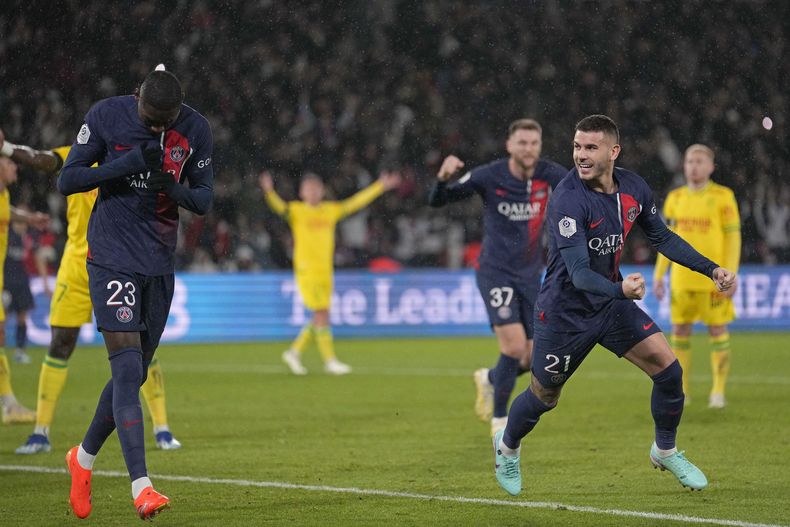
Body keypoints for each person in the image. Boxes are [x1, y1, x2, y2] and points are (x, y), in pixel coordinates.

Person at [492, 115, 736, 496]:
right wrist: (621, 289)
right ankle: (507, 446)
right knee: (544, 397)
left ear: (613, 151)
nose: (581, 155)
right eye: (577, 147)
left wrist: (711, 269)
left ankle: (665, 450)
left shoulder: (634, 188)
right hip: (564, 313)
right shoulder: (568, 199)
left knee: (669, 372)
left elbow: (663, 238)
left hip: (609, 305)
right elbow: (578, 274)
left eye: (591, 147)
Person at [57, 66, 213, 520]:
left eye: (165, 122)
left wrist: (174, 188)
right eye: (150, 119)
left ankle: (82, 458)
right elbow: (68, 179)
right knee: (126, 370)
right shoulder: (106, 116)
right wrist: (123, 166)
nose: (157, 128)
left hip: (158, 266)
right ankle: (141, 487)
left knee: (136, 372)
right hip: (111, 257)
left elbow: (204, 199)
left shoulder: (196, 129)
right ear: (137, 97)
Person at [0, 134, 183, 455]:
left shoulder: (132, 158)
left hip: (121, 263)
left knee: (140, 347)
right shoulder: (74, 153)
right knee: (60, 343)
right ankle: (40, 432)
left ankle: (162, 428)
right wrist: (5, 148)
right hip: (77, 265)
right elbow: (41, 159)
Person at [428, 119, 567, 437]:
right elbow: (438, 200)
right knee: (514, 347)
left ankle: (490, 379)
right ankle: (500, 422)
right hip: (495, 272)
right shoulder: (489, 176)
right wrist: (442, 178)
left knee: (533, 357)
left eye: (534, 143)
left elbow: (585, 191)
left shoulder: (551, 175)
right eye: (522, 143)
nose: (528, 149)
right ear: (509, 145)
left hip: (531, 275)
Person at [260, 168, 400, 375]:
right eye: (309, 189)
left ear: (323, 191)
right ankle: (329, 360)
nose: (313, 192)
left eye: (317, 188)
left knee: (320, 314)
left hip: (325, 270)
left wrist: (380, 186)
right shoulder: (296, 211)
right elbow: (279, 207)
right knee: (321, 312)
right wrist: (269, 192)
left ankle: (294, 352)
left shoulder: (330, 210)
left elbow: (355, 202)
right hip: (306, 271)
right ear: (302, 193)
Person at [653, 144, 740, 408]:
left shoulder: (723, 196)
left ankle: (718, 392)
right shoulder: (675, 198)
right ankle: (683, 391)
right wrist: (659, 275)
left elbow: (733, 238)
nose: (694, 166)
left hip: (714, 279)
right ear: (684, 165)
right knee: (680, 331)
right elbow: (666, 241)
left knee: (717, 330)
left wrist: (731, 273)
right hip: (681, 279)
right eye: (690, 161)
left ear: (711, 167)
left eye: (700, 161)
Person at [0, 155, 49, 424]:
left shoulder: (4, 195)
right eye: (9, 162)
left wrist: (28, 218)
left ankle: (9, 405)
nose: (15, 166)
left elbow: (8, 211)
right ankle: (9, 405)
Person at [3, 205, 38, 364]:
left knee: (22, 317)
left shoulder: (29, 236)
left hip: (22, 281)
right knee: (3, 317)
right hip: (6, 282)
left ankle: (20, 351)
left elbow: (37, 256)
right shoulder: (6, 233)